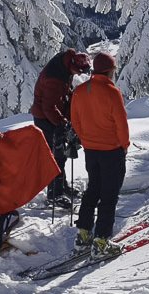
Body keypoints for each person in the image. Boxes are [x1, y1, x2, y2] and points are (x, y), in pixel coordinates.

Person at [70, 52, 130, 259]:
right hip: (112, 151)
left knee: (93, 189)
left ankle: (83, 235)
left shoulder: (79, 91)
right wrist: (124, 145)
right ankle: (102, 241)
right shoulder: (112, 92)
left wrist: (86, 140)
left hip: (91, 150)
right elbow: (121, 124)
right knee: (109, 195)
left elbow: (75, 121)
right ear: (110, 71)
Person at [31, 48, 92, 209]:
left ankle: (61, 186)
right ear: (72, 65)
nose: (77, 75)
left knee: (60, 154)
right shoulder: (54, 78)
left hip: (51, 115)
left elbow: (63, 95)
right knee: (55, 155)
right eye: (77, 72)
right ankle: (54, 194)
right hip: (45, 119)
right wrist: (62, 123)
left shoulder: (65, 66)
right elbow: (49, 107)